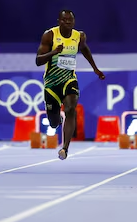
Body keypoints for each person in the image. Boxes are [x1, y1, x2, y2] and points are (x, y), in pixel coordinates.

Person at [35, 10, 105, 160]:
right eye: (64, 20)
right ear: (58, 21)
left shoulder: (79, 36)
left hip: (69, 79)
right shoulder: (50, 35)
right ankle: (57, 121)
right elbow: (38, 61)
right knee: (53, 123)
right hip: (51, 84)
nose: (68, 22)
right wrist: (54, 52)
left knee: (71, 108)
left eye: (70, 20)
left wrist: (95, 68)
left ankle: (65, 148)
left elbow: (84, 49)